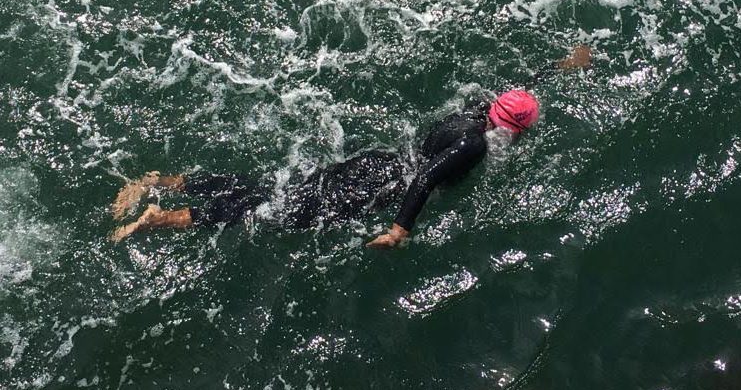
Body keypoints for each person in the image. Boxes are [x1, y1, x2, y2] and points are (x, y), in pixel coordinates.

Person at [110, 46, 591, 246]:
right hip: (386, 184)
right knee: (281, 211)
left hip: (377, 163)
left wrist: (561, 67)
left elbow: (516, 90)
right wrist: (401, 227)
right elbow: (425, 179)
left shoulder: (476, 109)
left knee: (282, 190)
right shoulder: (476, 146)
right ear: (515, 129)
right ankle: (160, 217)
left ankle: (164, 182)